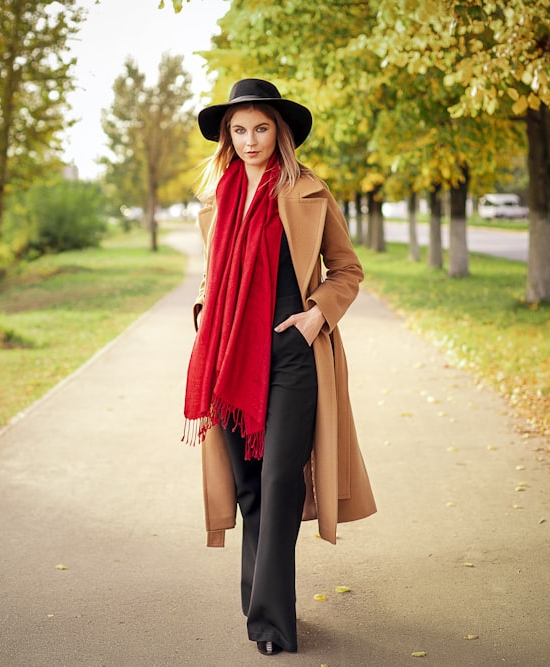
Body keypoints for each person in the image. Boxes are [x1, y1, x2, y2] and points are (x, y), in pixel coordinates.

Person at [183, 78, 377, 656]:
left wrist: (317, 316)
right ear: (226, 135)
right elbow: (214, 277)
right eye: (238, 130)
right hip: (229, 357)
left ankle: (271, 619)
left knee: (280, 480)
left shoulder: (308, 191)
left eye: (260, 128)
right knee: (250, 490)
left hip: (293, 355)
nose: (249, 140)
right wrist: (204, 313)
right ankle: (258, 595)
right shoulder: (216, 201)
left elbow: (347, 270)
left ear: (279, 131)